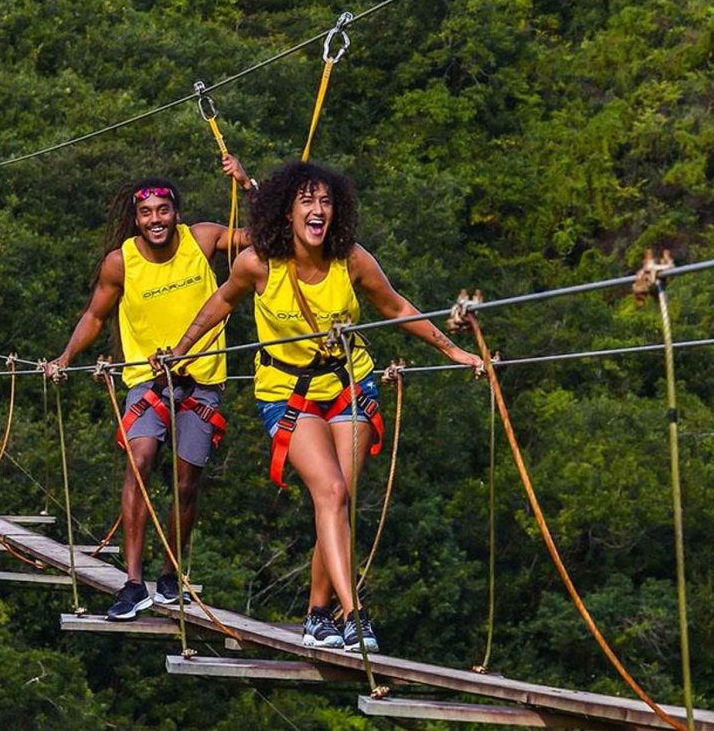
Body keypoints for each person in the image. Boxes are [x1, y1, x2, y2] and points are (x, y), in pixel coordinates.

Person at [155, 161, 482, 652]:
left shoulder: (350, 260)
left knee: (340, 503)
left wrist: (451, 350)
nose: (318, 210)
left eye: (326, 202)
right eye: (307, 201)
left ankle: (315, 613)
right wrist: (180, 352)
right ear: (287, 212)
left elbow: (394, 307)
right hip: (287, 394)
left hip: (350, 384)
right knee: (329, 491)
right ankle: (355, 616)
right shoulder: (259, 263)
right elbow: (220, 304)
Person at [47, 155, 255, 621]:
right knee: (139, 463)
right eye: (147, 213)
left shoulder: (201, 240)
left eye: (163, 210)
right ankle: (134, 582)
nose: (156, 220)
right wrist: (65, 358)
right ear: (136, 218)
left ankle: (170, 575)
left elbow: (261, 241)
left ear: (175, 213)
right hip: (147, 381)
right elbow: (96, 316)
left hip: (201, 382)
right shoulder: (121, 262)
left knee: (186, 482)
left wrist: (249, 184)